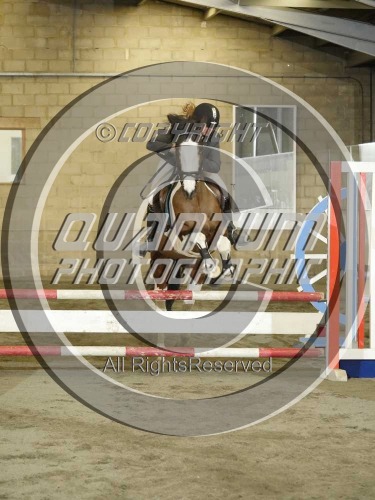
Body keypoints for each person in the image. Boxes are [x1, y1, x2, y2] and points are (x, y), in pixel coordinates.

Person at [142, 102, 238, 251]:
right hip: (173, 164)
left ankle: (232, 229)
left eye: (213, 126)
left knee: (223, 191)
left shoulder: (213, 137)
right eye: (207, 125)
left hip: (198, 169)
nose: (210, 130)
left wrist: (195, 159)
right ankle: (151, 237)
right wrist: (172, 148)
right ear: (197, 122)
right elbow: (151, 144)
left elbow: (215, 166)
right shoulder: (179, 129)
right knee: (153, 195)